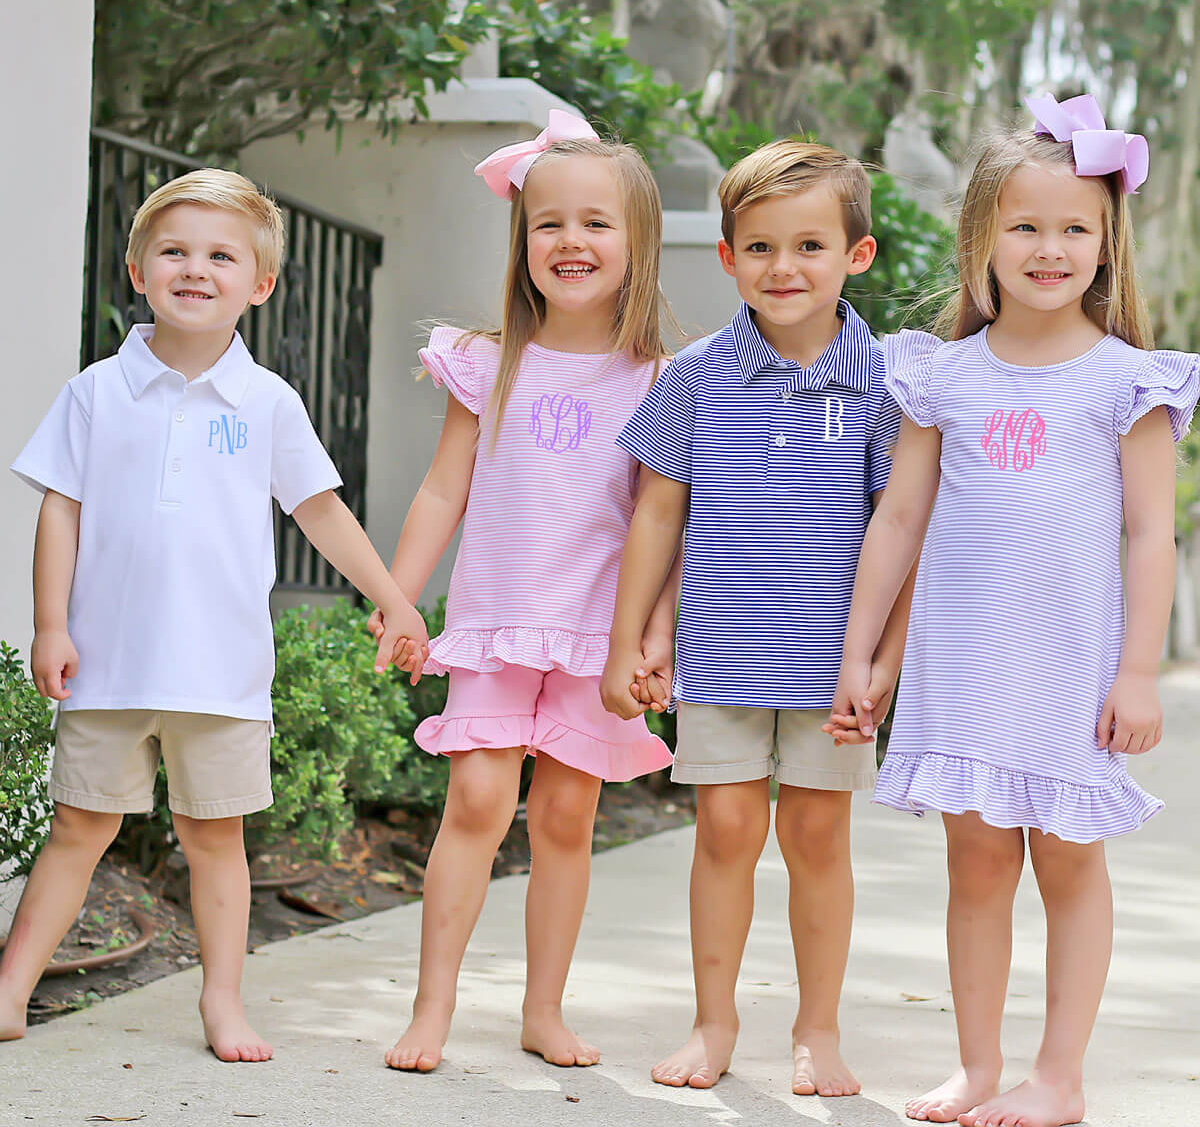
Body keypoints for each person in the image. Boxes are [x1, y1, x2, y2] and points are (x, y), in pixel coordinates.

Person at [828, 94, 1198, 1127]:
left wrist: (1136, 672)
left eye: (1074, 227)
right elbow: (900, 518)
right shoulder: (945, 374)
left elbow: (1147, 538)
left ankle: (1061, 1077)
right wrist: (864, 656)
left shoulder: (1130, 384)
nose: (1049, 248)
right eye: (1025, 227)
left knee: (1069, 864)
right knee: (977, 863)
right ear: (983, 240)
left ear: (1107, 243)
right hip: (965, 665)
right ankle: (979, 1066)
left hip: (1073, 670)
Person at [1, 169, 427, 1062]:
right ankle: (11, 988)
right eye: (175, 251)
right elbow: (61, 510)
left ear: (259, 283)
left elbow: (318, 510)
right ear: (137, 269)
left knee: (214, 838)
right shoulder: (96, 392)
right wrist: (50, 623)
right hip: (107, 663)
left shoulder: (267, 401)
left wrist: (392, 599)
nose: (196, 269)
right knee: (79, 828)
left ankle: (223, 1004)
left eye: (221, 255)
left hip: (221, 673)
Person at [603, 139, 914, 1096]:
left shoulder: (887, 382)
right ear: (729, 256)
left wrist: (884, 663)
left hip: (835, 669)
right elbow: (660, 510)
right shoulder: (697, 375)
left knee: (818, 843)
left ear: (856, 257)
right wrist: (636, 640)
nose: (785, 268)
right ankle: (714, 1021)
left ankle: (817, 1029)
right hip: (722, 655)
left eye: (810, 246)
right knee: (726, 836)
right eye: (762, 247)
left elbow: (904, 533)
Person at [375, 111, 677, 1074]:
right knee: (474, 798)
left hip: (596, 631)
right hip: (497, 622)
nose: (571, 242)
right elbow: (442, 489)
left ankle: (543, 1010)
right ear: (523, 239)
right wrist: (399, 595)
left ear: (636, 244)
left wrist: (650, 639)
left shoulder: (658, 380)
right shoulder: (483, 359)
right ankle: (433, 1007)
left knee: (565, 819)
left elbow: (664, 525)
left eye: (596, 224)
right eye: (550, 224)